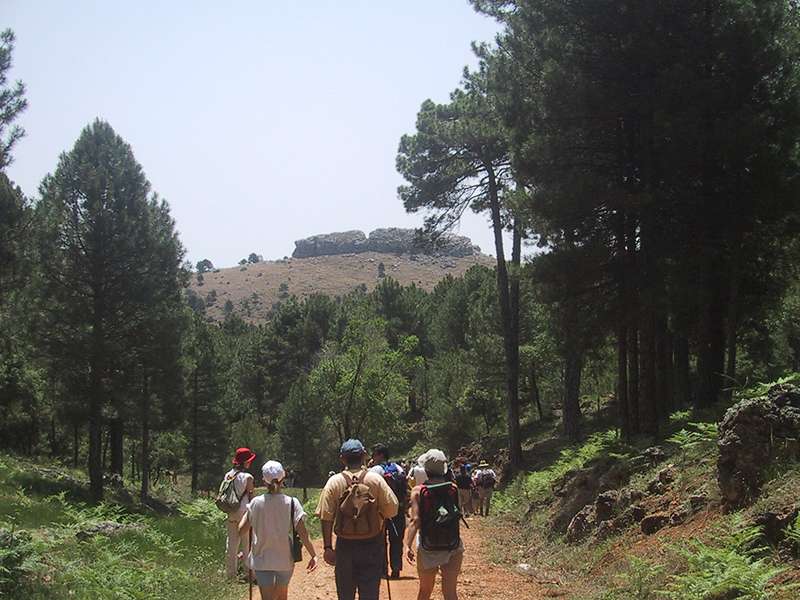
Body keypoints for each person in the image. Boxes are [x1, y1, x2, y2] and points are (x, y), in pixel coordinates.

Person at [315, 439, 399, 600]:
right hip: (371, 543)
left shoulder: (334, 482)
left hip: (344, 545)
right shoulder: (375, 480)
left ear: (342, 459)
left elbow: (326, 516)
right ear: (364, 456)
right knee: (369, 593)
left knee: (345, 593)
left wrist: (327, 547)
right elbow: (392, 510)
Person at [238, 460, 318, 600]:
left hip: (261, 559)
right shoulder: (292, 503)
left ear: (264, 481)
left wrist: (248, 510)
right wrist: (313, 554)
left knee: (267, 598)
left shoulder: (256, 503)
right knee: (281, 596)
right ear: (283, 479)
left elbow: (242, 530)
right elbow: (302, 533)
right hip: (284, 558)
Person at [404, 449, 464, 600]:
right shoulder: (453, 488)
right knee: (450, 592)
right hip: (452, 545)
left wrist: (407, 545)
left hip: (428, 547)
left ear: (426, 470)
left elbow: (415, 520)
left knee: (425, 590)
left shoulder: (418, 491)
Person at [369, 443, 408, 580]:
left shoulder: (374, 471)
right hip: (397, 508)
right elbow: (405, 489)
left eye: (374, 454)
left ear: (381, 455)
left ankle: (382, 569)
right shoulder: (398, 468)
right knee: (396, 538)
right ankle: (396, 567)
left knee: (380, 540)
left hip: (380, 511)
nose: (372, 457)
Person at [225, 447, 255, 580]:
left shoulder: (228, 475)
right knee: (247, 543)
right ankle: (248, 573)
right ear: (245, 463)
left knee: (231, 544)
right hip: (244, 512)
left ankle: (231, 574)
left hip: (230, 511)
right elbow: (251, 498)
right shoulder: (248, 477)